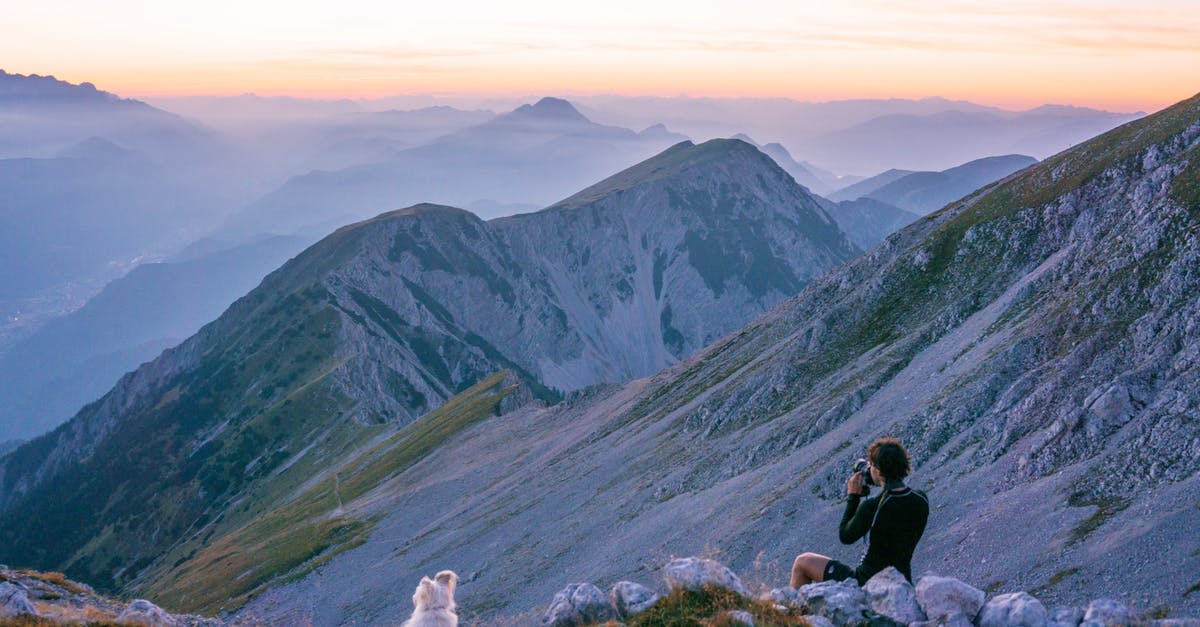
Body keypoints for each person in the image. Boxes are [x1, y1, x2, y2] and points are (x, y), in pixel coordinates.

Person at [790, 437, 929, 588]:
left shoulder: (874, 506)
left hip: (867, 582)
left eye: (871, 466)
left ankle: (795, 611)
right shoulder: (921, 498)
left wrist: (853, 497)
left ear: (878, 469)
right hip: (903, 581)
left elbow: (846, 536)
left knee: (802, 562)